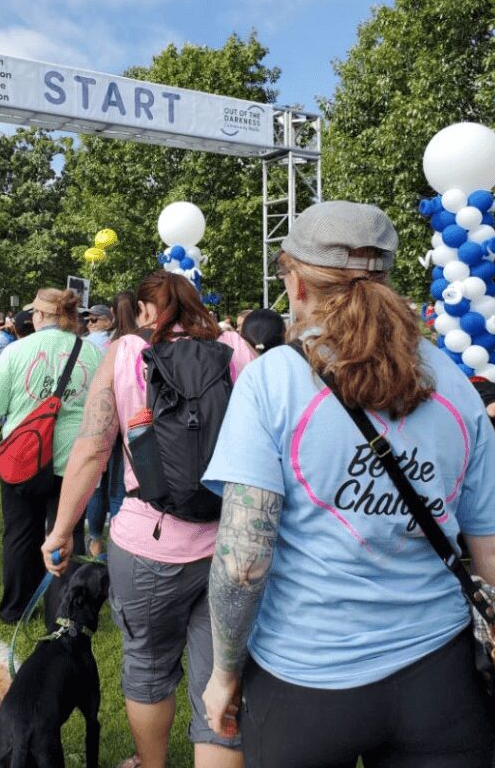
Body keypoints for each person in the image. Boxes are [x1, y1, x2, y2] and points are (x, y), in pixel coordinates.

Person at [201, 200, 495, 768]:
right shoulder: (454, 384)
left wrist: (224, 671)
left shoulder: (272, 380)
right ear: (385, 278)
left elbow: (242, 562)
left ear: (299, 283)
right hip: (440, 676)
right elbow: (486, 544)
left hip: (304, 680)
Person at [43, 271, 254, 768]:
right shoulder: (235, 347)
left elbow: (93, 449)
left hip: (148, 541)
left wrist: (61, 530)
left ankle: (150, 764)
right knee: (222, 675)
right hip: (232, 541)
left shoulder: (123, 354)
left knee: (147, 665)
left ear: (142, 310)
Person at [0, 287, 102, 624]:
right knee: (68, 532)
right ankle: (64, 614)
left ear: (38, 316)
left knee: (19, 533)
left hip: (23, 457)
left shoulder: (15, 352)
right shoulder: (90, 353)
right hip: (74, 459)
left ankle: (17, 607)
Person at [86, 289, 139, 557]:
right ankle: (118, 546)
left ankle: (95, 540)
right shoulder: (141, 343)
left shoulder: (102, 345)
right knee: (119, 486)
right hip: (129, 421)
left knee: (98, 483)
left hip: (100, 419)